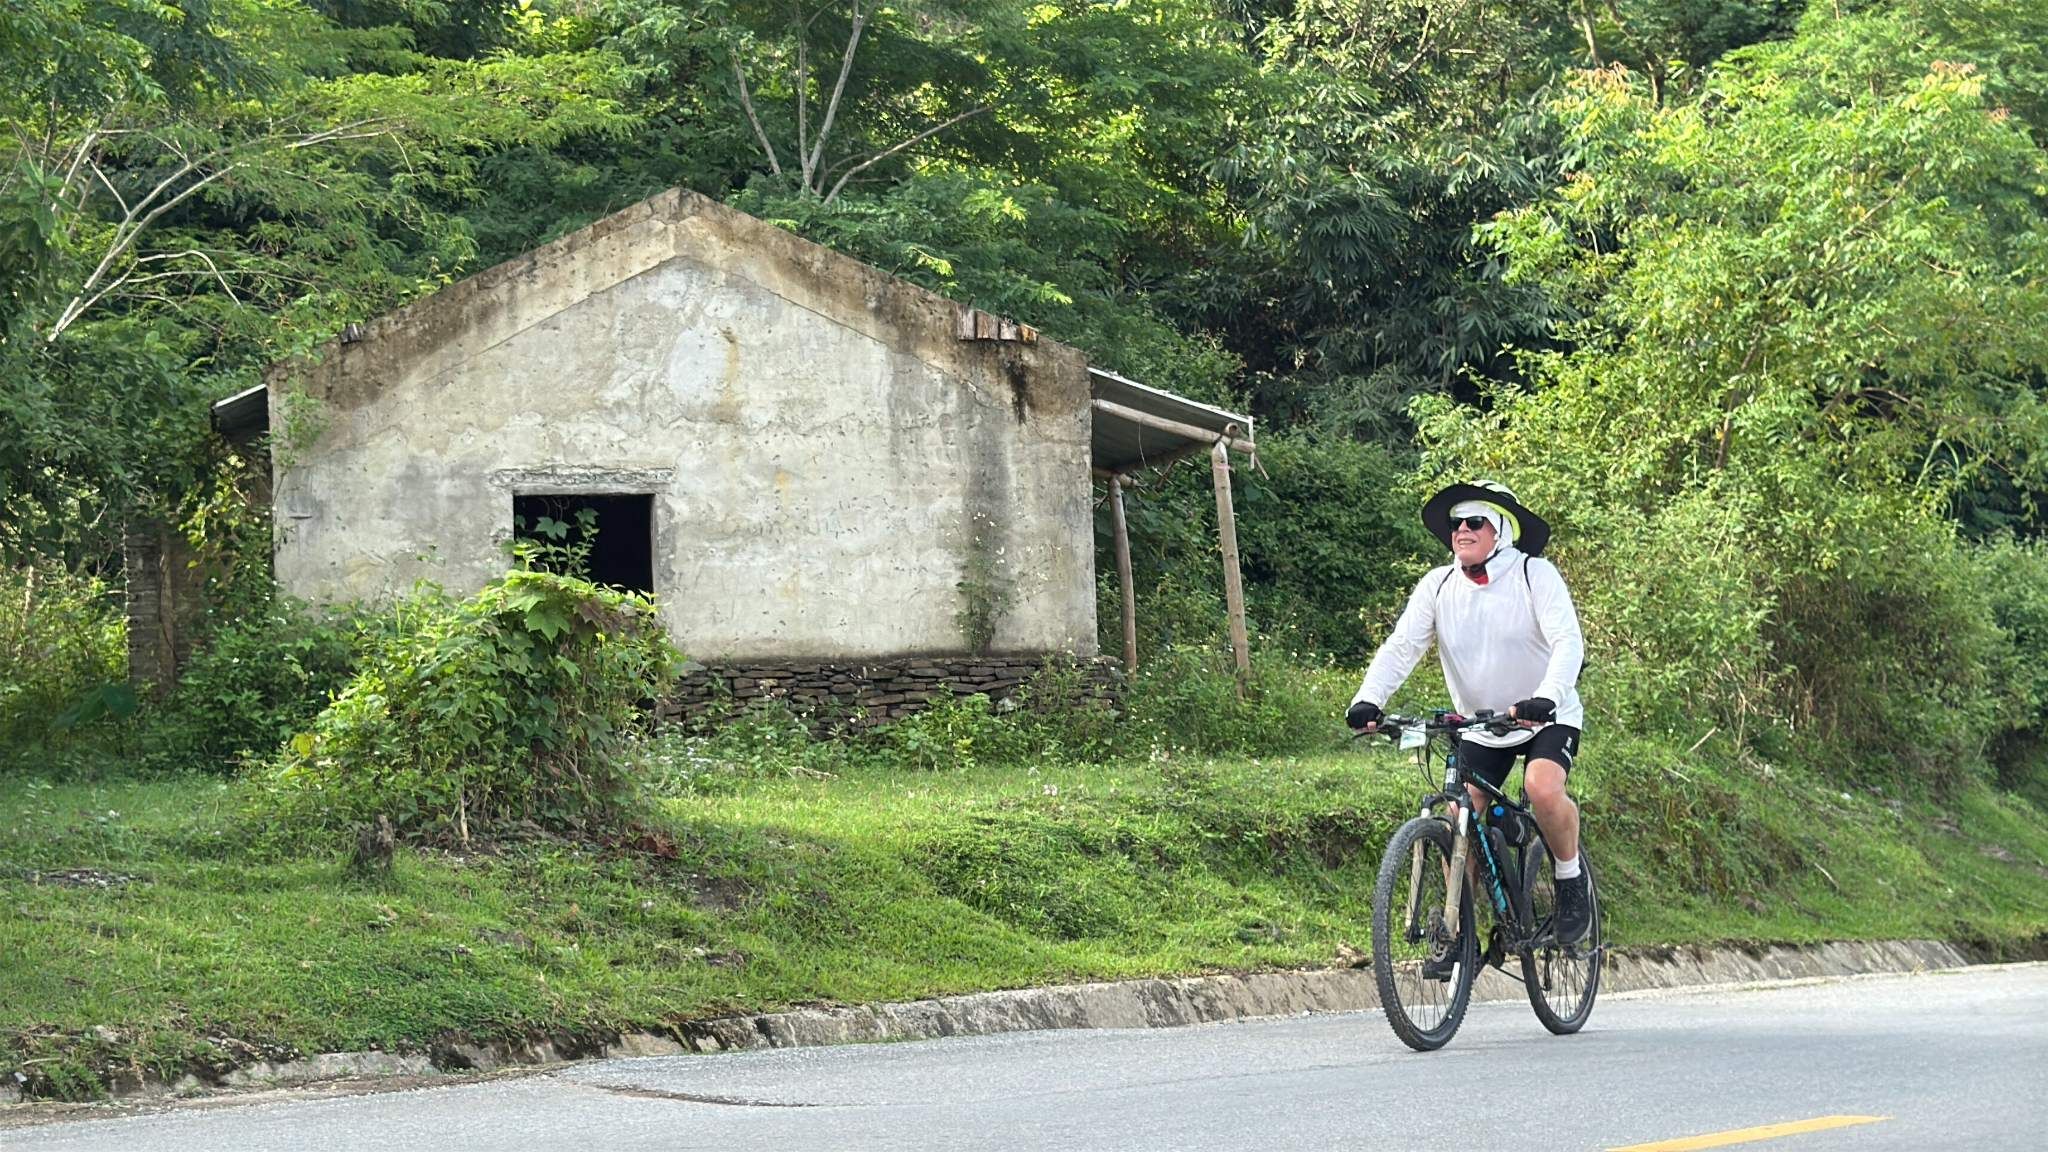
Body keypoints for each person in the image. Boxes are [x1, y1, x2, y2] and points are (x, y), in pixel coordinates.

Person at [1345, 481, 1591, 947]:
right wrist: (1368, 699)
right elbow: (1402, 647)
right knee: (1462, 811)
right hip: (1483, 723)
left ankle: (1569, 877)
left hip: (1544, 715)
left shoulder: (1534, 575)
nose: (1462, 529)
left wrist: (1547, 696)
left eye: (1474, 521)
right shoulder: (1437, 585)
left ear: (1500, 530)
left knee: (1541, 786)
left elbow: (1567, 642)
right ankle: (1457, 924)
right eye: (1456, 522)